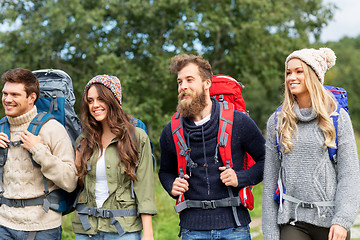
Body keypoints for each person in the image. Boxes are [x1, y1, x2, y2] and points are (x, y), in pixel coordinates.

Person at [159, 54, 265, 239]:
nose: (183, 86)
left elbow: (267, 160)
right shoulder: (171, 131)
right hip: (192, 229)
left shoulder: (239, 121)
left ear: (207, 83)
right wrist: (171, 185)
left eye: (189, 80)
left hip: (235, 227)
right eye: (179, 82)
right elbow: (165, 171)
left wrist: (241, 177)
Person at [262, 48, 360, 240]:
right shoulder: (277, 121)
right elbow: (270, 180)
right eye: (288, 72)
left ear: (314, 75)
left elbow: (349, 175)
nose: (291, 77)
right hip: (292, 221)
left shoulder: (338, 118)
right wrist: (270, 233)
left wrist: (342, 220)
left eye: (299, 71)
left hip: (331, 223)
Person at [72, 75, 157, 240]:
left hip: (124, 231)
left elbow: (145, 188)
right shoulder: (83, 140)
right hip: (87, 230)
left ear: (114, 99)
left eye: (100, 99)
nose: (95, 105)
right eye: (90, 101)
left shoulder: (137, 137)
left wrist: (148, 233)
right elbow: (75, 184)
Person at [0, 68, 77, 239]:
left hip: (43, 228)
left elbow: (71, 181)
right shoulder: (0, 129)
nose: (7, 99)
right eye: (5, 93)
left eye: (14, 94)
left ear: (31, 98)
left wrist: (38, 150)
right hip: (3, 225)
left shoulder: (52, 129)